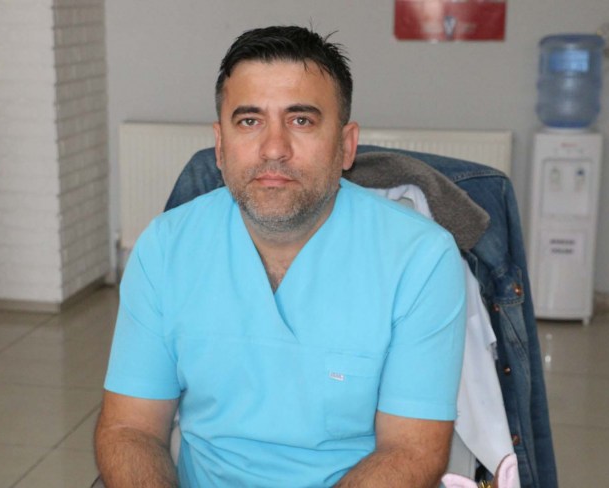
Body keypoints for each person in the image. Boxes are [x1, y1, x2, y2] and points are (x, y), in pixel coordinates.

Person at [95, 25, 466, 488]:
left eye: (301, 120)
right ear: (220, 145)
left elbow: (411, 450)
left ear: (346, 145)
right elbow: (129, 429)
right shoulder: (165, 248)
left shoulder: (419, 258)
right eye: (249, 121)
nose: (274, 149)